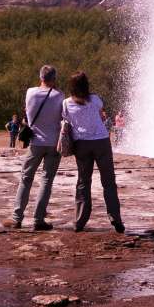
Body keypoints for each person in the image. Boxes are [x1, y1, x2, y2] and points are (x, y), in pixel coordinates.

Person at [61, 72, 124, 233]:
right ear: (86, 85)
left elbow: (66, 120)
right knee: (108, 181)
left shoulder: (66, 103)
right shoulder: (95, 99)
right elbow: (100, 112)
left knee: (83, 181)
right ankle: (115, 219)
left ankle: (80, 221)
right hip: (101, 141)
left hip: (81, 144)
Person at [4, 65, 64, 231]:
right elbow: (61, 116)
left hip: (35, 143)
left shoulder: (30, 92)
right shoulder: (59, 95)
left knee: (26, 178)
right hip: (53, 143)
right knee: (46, 181)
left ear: (41, 77)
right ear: (54, 78)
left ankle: (17, 217)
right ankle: (38, 219)